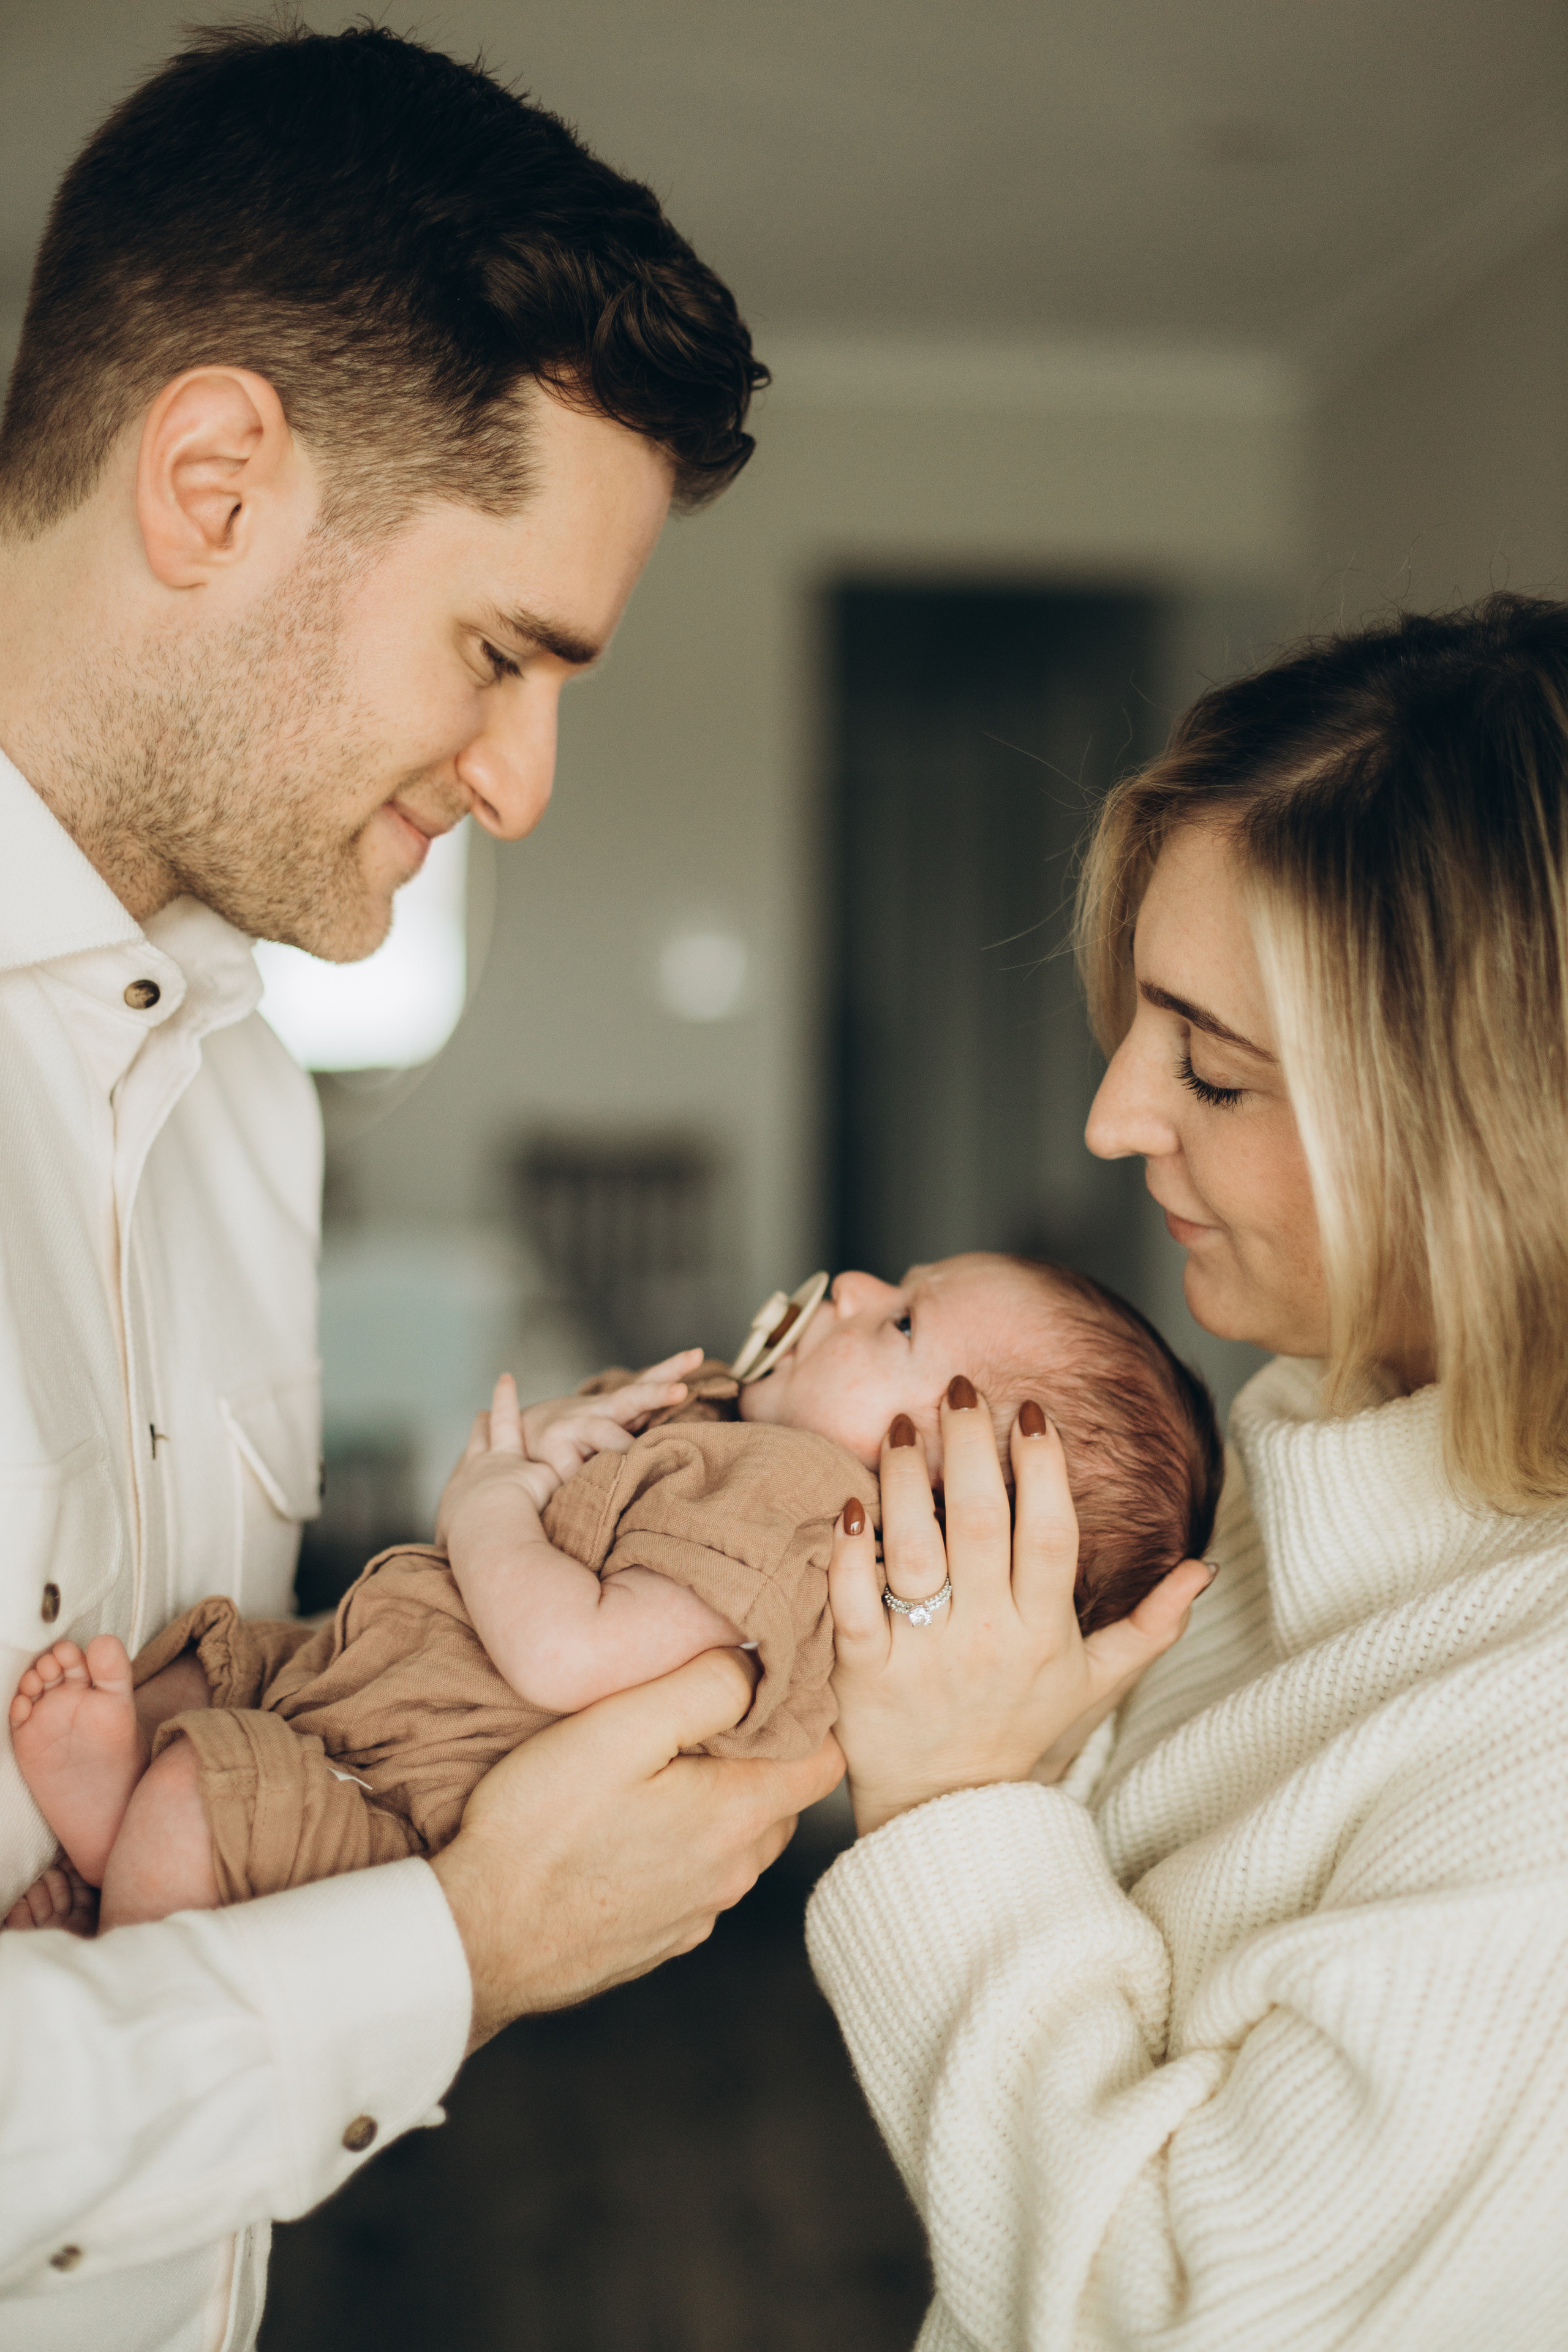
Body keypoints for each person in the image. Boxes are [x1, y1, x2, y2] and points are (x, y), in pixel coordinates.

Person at [0, 21, 840, 2348]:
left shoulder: (247, 1099)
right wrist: (471, 1947)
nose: (526, 778)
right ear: (213, 482)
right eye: (500, 650)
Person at [808, 591, 1568, 2346]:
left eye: (1211, 1070)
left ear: (1492, 1131)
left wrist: (945, 1811)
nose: (1113, 1115)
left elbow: (1174, 2314)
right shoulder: (1292, 1469)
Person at [9, 1254, 1221, 1933]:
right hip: (364, 1676)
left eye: (899, 1321)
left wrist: (486, 1496)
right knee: (199, 1681)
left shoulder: (798, 1515)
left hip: (399, 1781)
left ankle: (136, 1919)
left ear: (939, 1503)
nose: (848, 1284)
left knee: (197, 1789)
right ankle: (116, 1852)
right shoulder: (739, 1434)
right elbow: (582, 1507)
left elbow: (564, 1655)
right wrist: (556, 1437)